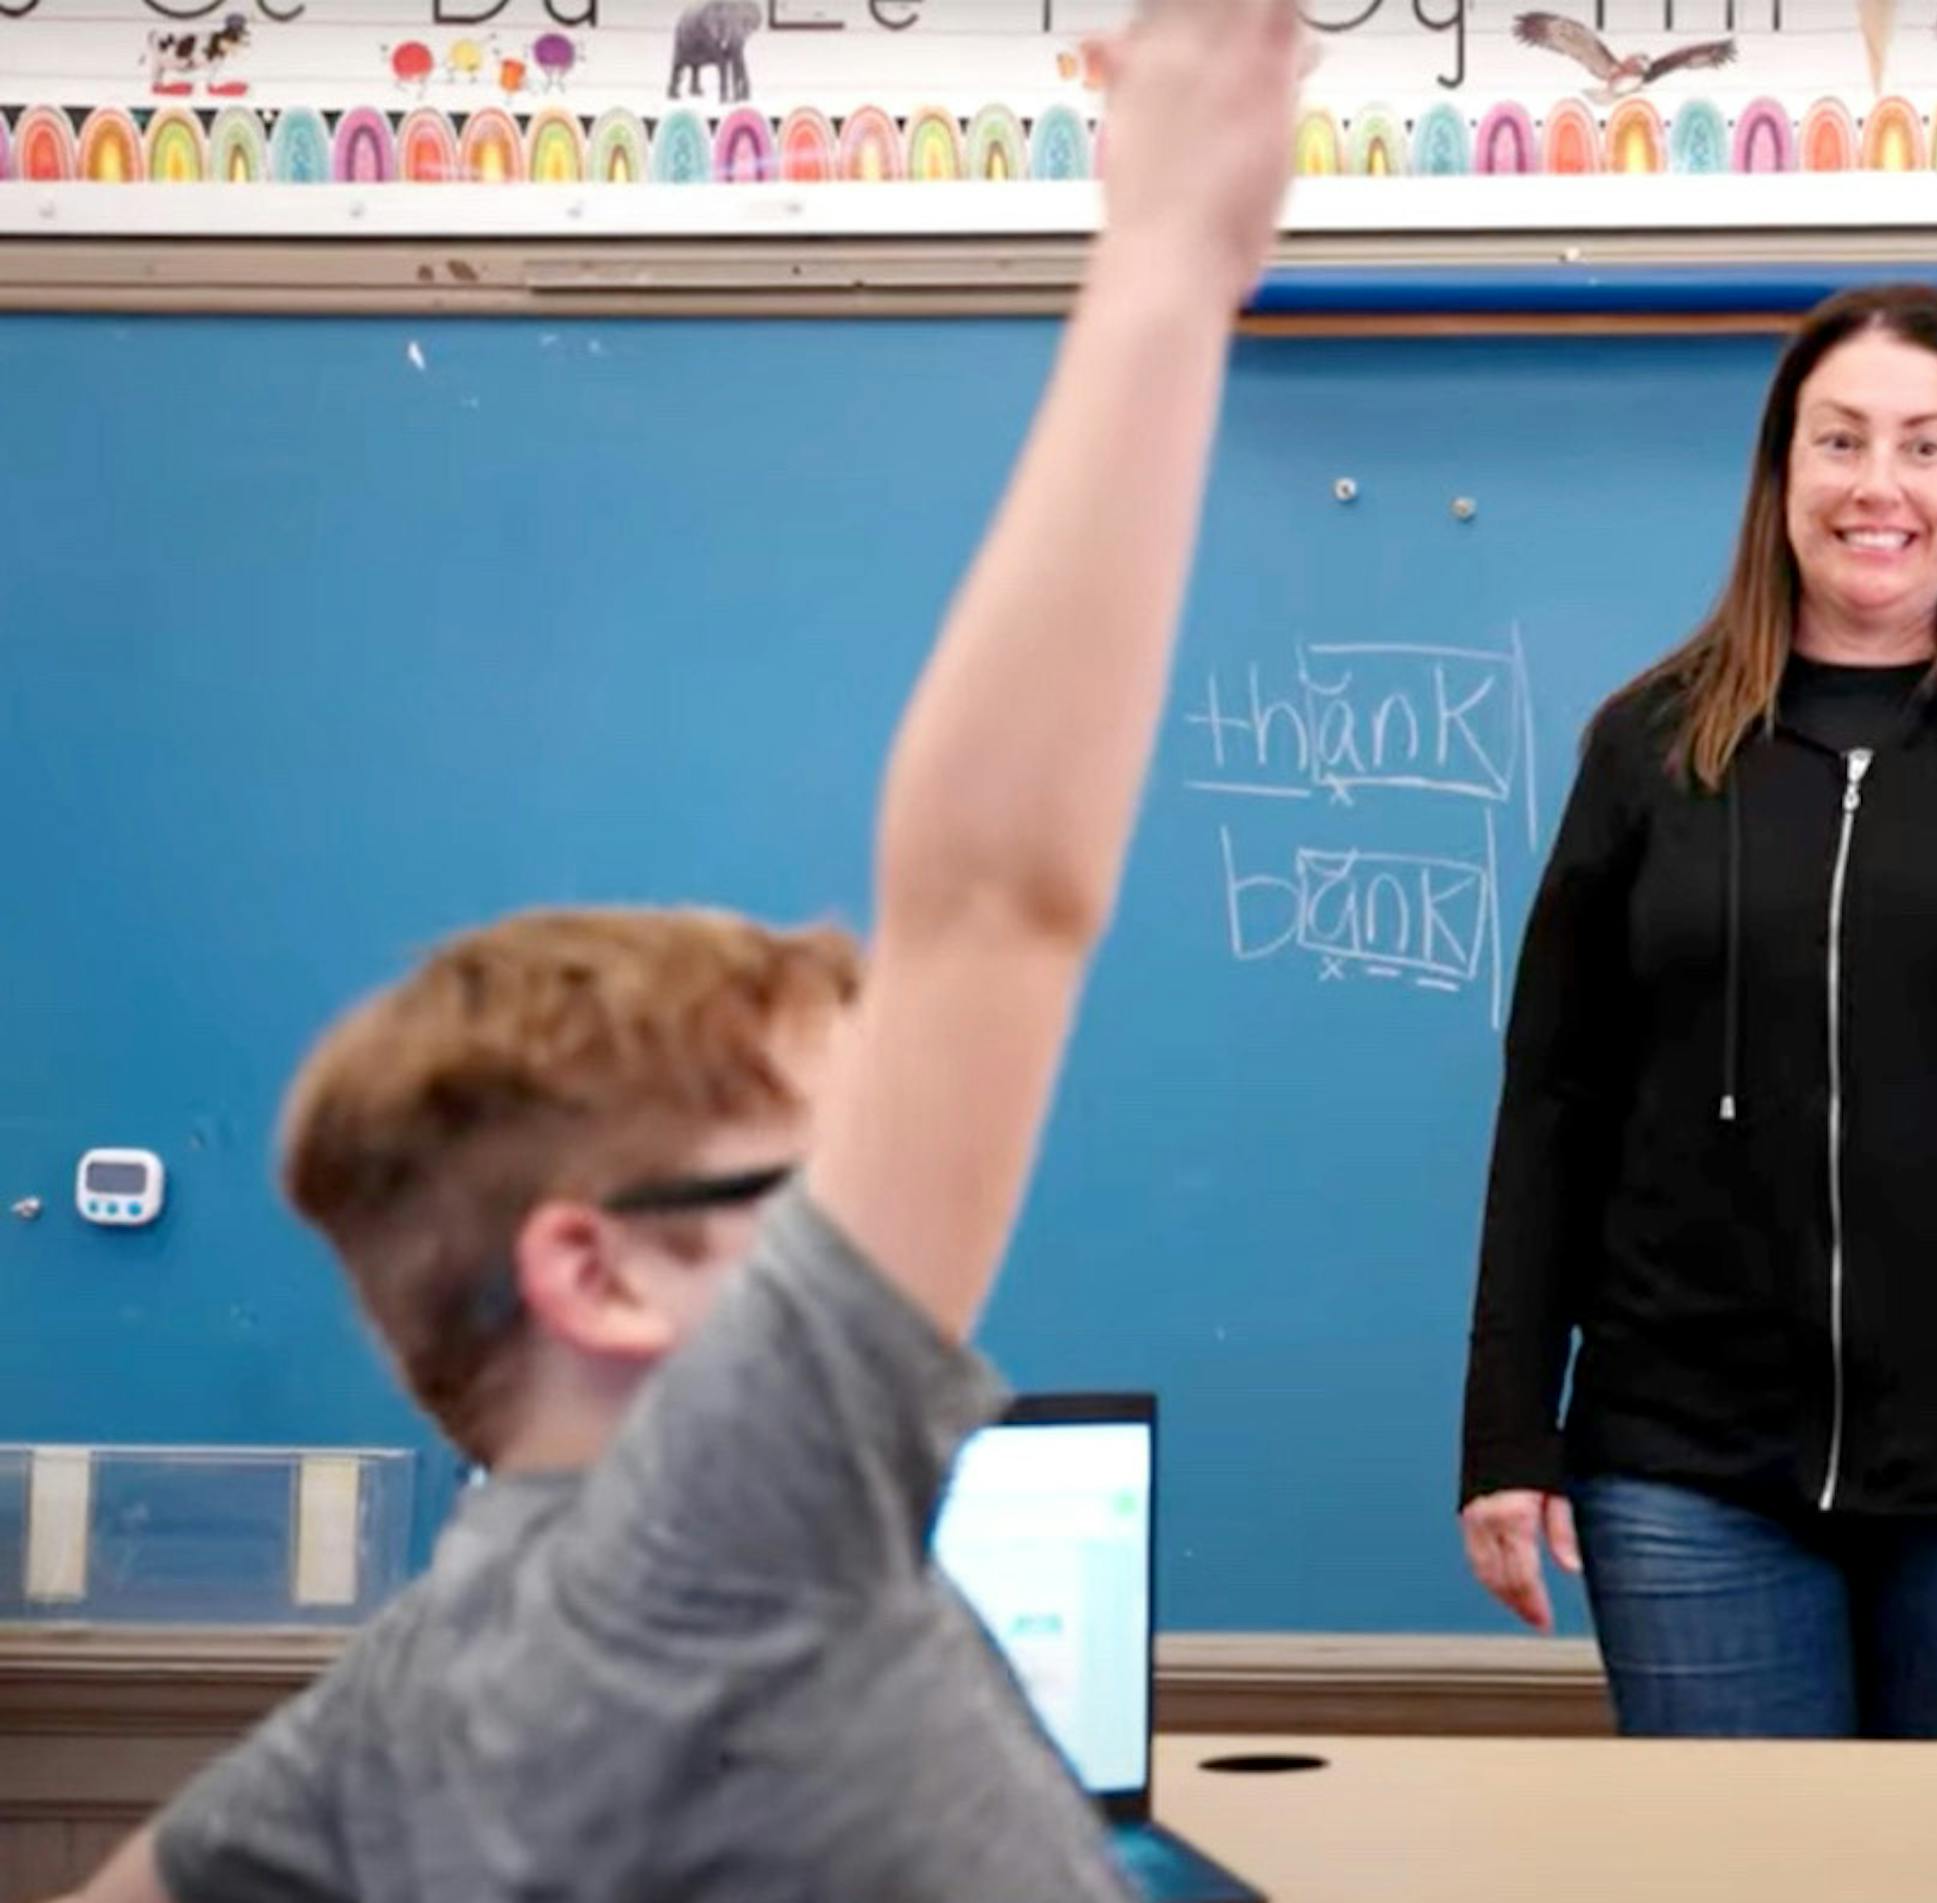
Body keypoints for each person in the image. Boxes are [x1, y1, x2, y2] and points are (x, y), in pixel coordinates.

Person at [54, 6, 1311, 1897]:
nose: (891, 1222)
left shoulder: (401, 1705)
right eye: (820, 1190)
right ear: (605, 1277)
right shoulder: (717, 1539)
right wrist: (1167, 255)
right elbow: (995, 899)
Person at [1457, 281, 1937, 1740]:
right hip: (1689, 1471)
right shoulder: (1651, 745)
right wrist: (1506, 1434)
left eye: (1923, 446)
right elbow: (1554, 1107)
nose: (1877, 487)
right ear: (1783, 472)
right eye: (1839, 442)